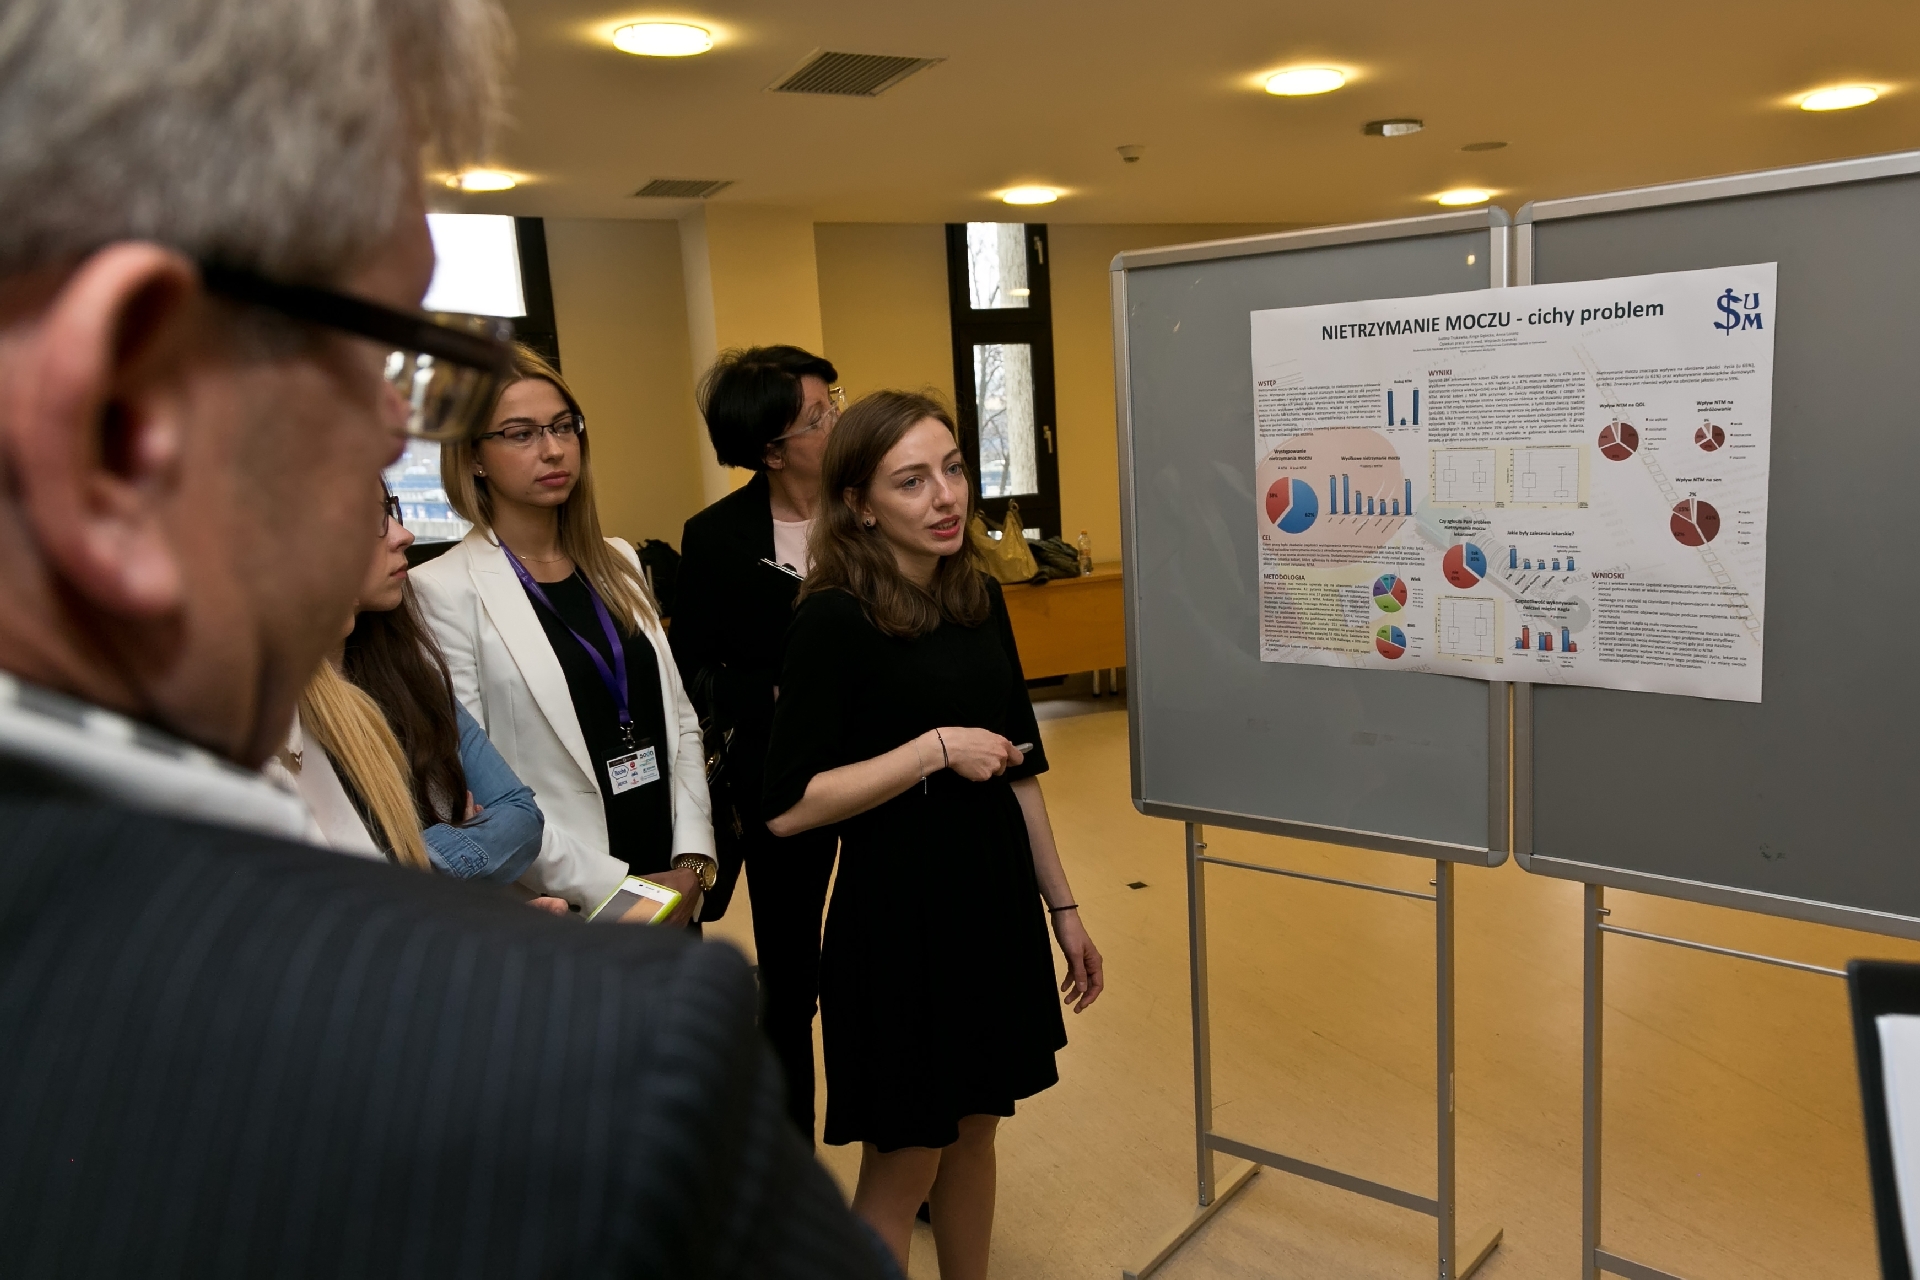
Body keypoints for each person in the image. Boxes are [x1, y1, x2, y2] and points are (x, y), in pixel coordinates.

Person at [0, 0, 893, 1273]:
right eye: (379, 349)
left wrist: (688, 857)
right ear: (126, 417)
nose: (390, 432)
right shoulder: (582, 1060)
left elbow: (670, 714)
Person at [763, 390, 1106, 1277]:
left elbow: (1021, 766)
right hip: (898, 925)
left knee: (977, 1135)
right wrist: (933, 749)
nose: (946, 497)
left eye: (952, 469)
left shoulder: (976, 597)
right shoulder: (833, 618)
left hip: (992, 905)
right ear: (859, 504)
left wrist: (1064, 908)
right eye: (911, 481)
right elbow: (789, 804)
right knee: (906, 1161)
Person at [413, 345, 716, 923]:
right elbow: (476, 789)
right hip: (567, 901)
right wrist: (621, 892)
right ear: (474, 458)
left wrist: (693, 861)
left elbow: (679, 720)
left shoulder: (618, 560)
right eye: (520, 434)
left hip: (672, 875)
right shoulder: (440, 590)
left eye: (562, 427)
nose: (552, 449)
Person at [673, 344, 845, 1139]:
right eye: (818, 417)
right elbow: (693, 668)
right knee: (790, 979)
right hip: (781, 783)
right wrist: (769, 690)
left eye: (834, 403)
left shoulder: (877, 507)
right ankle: (791, 1156)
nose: (837, 421)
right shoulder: (716, 538)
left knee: (887, 968)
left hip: (893, 774)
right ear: (772, 450)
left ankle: (907, 1153)